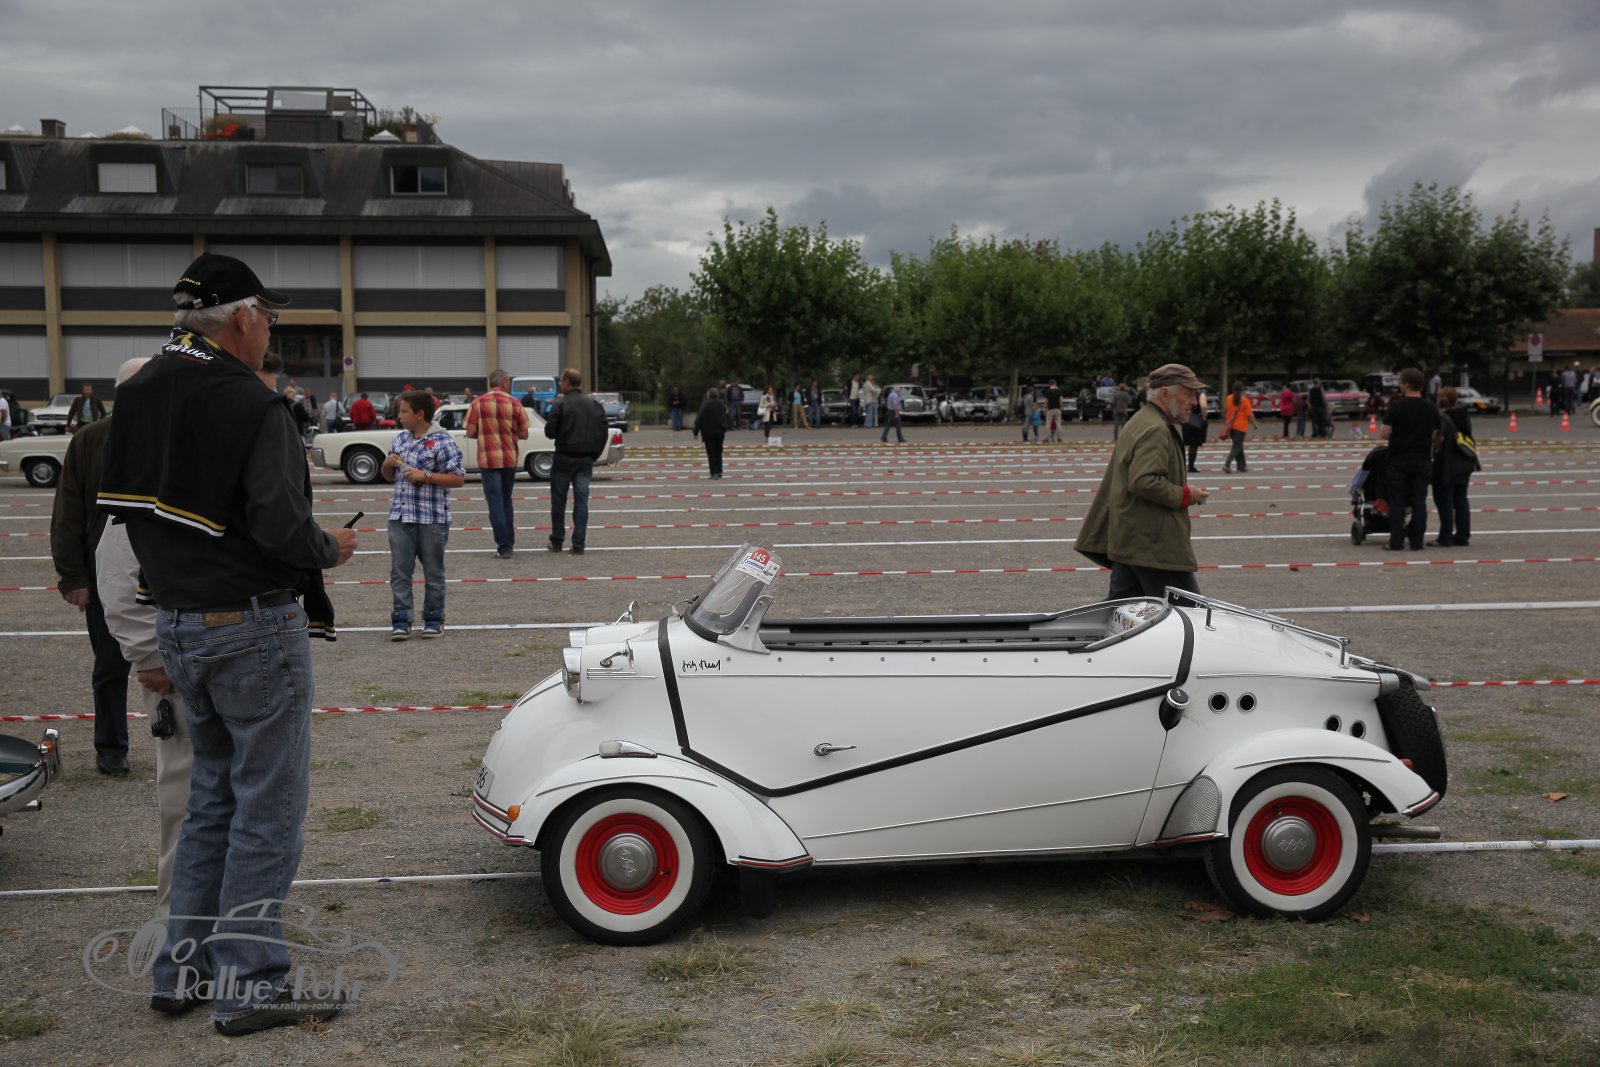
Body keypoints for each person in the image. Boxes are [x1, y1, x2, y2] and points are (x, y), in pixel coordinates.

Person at [96, 251, 357, 1034]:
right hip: (249, 622)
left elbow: (127, 515)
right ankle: (251, 983)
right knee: (267, 808)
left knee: (210, 801)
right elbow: (280, 524)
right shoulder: (251, 402)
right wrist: (329, 548)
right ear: (241, 317)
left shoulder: (140, 390)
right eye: (267, 315)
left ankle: (182, 970)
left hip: (178, 618)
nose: (270, 329)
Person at [94, 355, 194, 914]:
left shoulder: (173, 453)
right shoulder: (141, 463)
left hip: (202, 652)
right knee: (183, 793)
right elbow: (116, 575)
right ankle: (179, 920)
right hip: (170, 662)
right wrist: (147, 657)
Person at [1075, 363, 1211, 599]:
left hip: (1132, 539)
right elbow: (1144, 481)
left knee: (1119, 611)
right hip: (1153, 545)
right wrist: (1187, 495)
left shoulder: (1142, 420)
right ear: (1165, 394)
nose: (1193, 401)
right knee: (1186, 613)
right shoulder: (1155, 428)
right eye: (1188, 393)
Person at [50, 377, 131, 775]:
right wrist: (73, 576)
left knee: (180, 665)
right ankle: (112, 747)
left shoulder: (178, 431)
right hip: (107, 573)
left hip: (168, 572)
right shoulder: (90, 439)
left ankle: (182, 743)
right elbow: (67, 510)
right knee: (110, 666)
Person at [382, 390, 465, 638]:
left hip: (432, 520)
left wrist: (425, 476)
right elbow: (388, 476)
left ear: (420, 414)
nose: (400, 416)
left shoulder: (443, 442)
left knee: (433, 573)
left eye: (404, 411)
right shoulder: (400, 439)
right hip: (400, 517)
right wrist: (387, 465)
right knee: (399, 573)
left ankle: (433, 619)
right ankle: (401, 620)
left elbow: (458, 479)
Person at [543, 367, 609, 553]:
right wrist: (594, 455)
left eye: (561, 381)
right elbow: (603, 433)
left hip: (563, 458)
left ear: (566, 383)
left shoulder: (560, 404)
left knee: (558, 502)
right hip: (585, 459)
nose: (560, 384)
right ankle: (578, 544)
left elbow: (549, 432)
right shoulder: (595, 405)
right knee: (581, 502)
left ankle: (557, 541)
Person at [466, 369, 530, 559]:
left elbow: (469, 432)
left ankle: (504, 546)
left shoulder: (477, 403)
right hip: (509, 458)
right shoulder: (515, 403)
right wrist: (509, 433)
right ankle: (509, 541)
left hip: (488, 459)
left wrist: (485, 433)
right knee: (506, 500)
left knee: (495, 502)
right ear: (504, 383)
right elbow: (525, 433)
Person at [1378, 368, 1439, 552]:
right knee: (1419, 501)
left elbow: (1384, 433)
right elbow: (1435, 434)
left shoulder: (1397, 406)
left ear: (1406, 385)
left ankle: (1396, 541)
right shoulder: (1430, 407)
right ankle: (1417, 541)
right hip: (1422, 459)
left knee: (1397, 501)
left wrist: (1398, 437)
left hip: (1399, 459)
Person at [1431, 386, 1477, 548]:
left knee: (1445, 500)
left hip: (1447, 464)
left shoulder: (1443, 418)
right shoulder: (1463, 415)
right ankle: (1463, 535)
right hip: (1465, 461)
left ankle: (1445, 537)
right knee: (1461, 499)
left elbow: (1440, 439)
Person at [693, 387, 730, 477]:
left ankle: (714, 472)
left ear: (709, 395)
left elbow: (699, 418)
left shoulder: (706, 404)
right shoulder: (722, 403)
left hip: (709, 431)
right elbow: (727, 414)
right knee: (718, 451)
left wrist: (695, 431)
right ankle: (720, 470)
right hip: (720, 431)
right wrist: (726, 426)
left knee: (711, 452)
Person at [1222, 380, 1257, 474]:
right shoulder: (1245, 401)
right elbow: (1249, 415)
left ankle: (1241, 466)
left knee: (1239, 446)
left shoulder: (1228, 398)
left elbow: (1226, 412)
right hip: (1241, 427)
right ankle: (1227, 465)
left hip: (1231, 427)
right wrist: (1254, 424)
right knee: (1236, 447)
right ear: (1242, 390)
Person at [1181, 390, 1208, 473]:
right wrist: (1204, 416)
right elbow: (1203, 406)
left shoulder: (1185, 393)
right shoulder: (1201, 394)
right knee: (1194, 445)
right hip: (1196, 421)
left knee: (1187, 444)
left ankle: (1183, 465)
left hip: (1186, 420)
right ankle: (1191, 466)